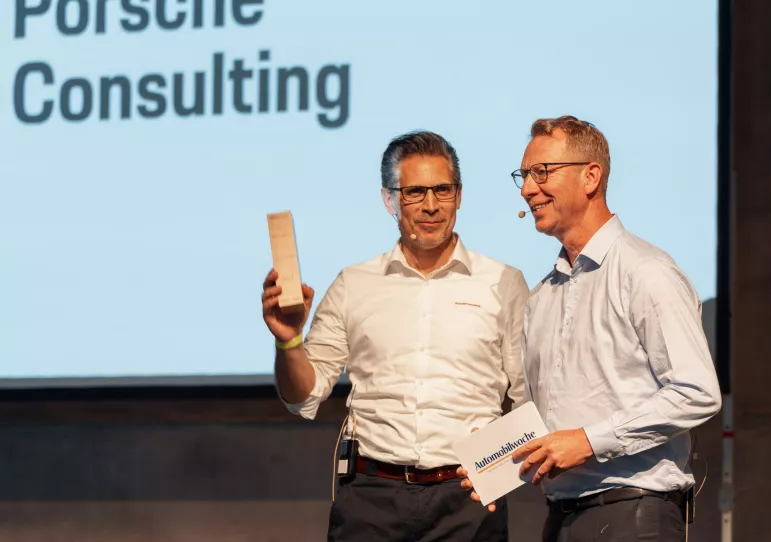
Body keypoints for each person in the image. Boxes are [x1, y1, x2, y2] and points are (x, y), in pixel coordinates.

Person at [459, 116, 722, 541]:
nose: (527, 189)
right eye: (523, 176)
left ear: (590, 176)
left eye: (541, 172)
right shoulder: (543, 295)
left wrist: (591, 440)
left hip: (634, 513)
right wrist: (494, 464)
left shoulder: (645, 272)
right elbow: (547, 418)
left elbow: (697, 392)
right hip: (561, 517)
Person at [262, 130, 529, 542]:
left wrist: (498, 470)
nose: (431, 205)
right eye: (415, 191)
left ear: (459, 195)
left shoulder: (504, 282)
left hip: (467, 497)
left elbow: (529, 398)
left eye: (443, 189)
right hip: (372, 498)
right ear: (390, 200)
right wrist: (288, 340)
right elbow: (302, 397)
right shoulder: (355, 283)